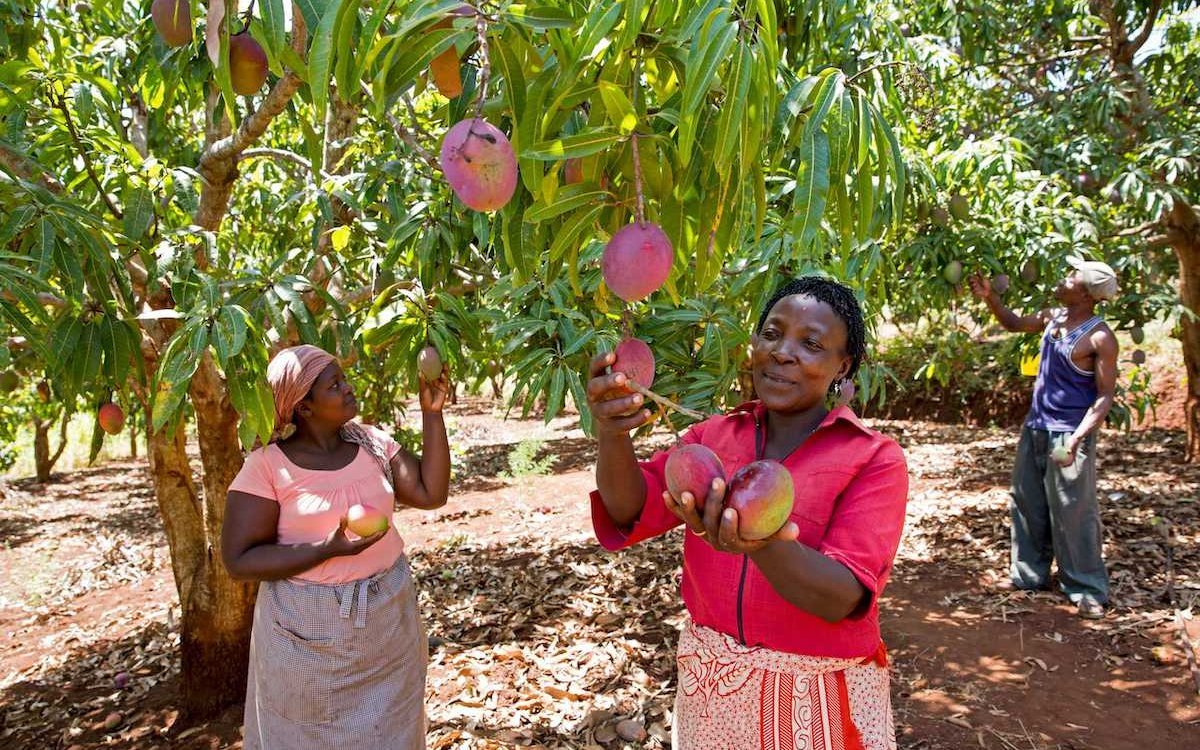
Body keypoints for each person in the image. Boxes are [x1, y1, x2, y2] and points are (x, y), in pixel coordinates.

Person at [586, 277, 908, 750]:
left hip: (813, 700)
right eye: (772, 333)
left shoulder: (873, 458)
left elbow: (842, 595)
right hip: (711, 692)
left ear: (843, 365)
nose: (783, 352)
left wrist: (758, 545)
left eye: (812, 344)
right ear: (754, 343)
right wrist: (612, 431)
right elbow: (627, 506)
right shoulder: (713, 437)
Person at [221, 344, 450, 748]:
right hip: (307, 630)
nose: (348, 388)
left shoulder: (371, 444)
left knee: (392, 733)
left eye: (343, 379)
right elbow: (239, 560)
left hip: (386, 619)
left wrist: (432, 413)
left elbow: (431, 493)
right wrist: (326, 549)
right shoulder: (268, 467)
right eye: (334, 385)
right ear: (304, 407)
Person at [968, 256, 1119, 619]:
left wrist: (1077, 438)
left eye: (1072, 276)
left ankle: (1085, 587)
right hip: (1036, 425)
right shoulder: (1054, 317)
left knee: (1073, 511)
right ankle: (1027, 575)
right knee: (1027, 501)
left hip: (1067, 432)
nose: (1063, 279)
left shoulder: (1100, 337)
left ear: (1085, 291)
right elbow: (1014, 323)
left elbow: (1104, 395)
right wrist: (991, 298)